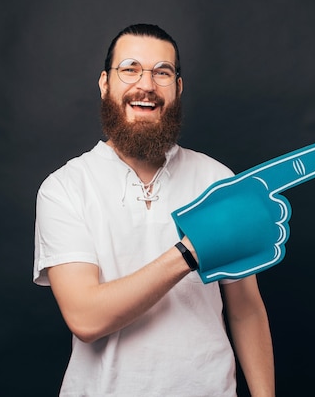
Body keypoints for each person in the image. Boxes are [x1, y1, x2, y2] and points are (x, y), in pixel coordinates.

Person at [33, 24, 275, 396]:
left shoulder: (218, 181)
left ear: (177, 88)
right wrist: (189, 252)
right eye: (130, 69)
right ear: (105, 83)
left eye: (162, 72)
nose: (146, 85)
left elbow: (246, 309)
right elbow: (85, 317)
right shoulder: (64, 188)